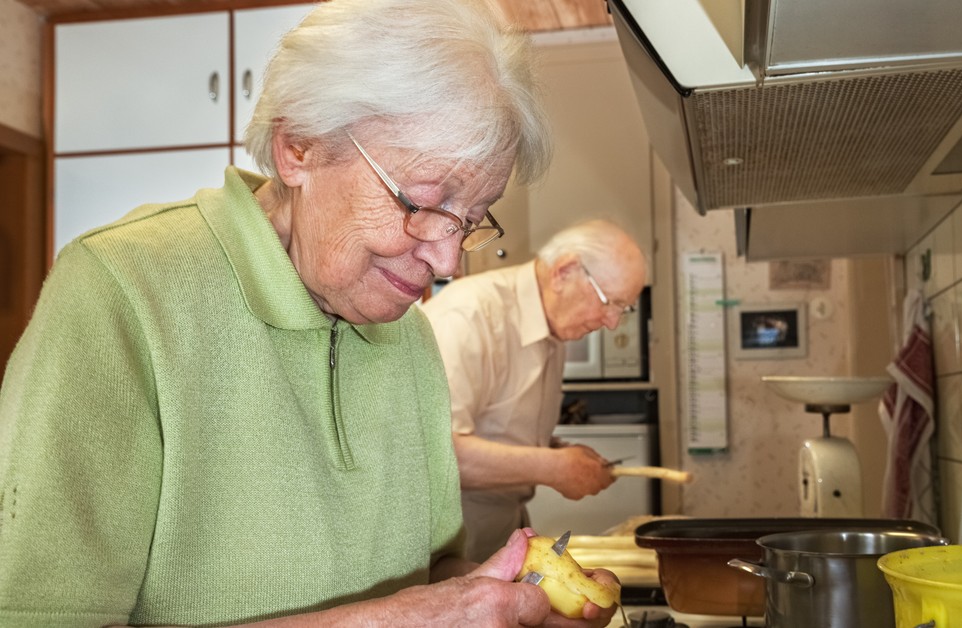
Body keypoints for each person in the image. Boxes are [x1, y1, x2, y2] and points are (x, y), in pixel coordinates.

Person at [0, 0, 618, 625]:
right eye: (422, 202)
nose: (447, 260)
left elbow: (428, 575)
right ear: (298, 146)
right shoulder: (119, 293)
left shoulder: (409, 337)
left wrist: (500, 601)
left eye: (472, 218)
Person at [421, 220, 648, 561]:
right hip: (445, 549)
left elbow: (497, 428)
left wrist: (558, 452)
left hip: (498, 537)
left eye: (623, 309)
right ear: (564, 272)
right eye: (608, 302)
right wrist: (555, 468)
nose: (613, 323)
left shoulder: (553, 328)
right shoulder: (469, 316)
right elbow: (435, 454)